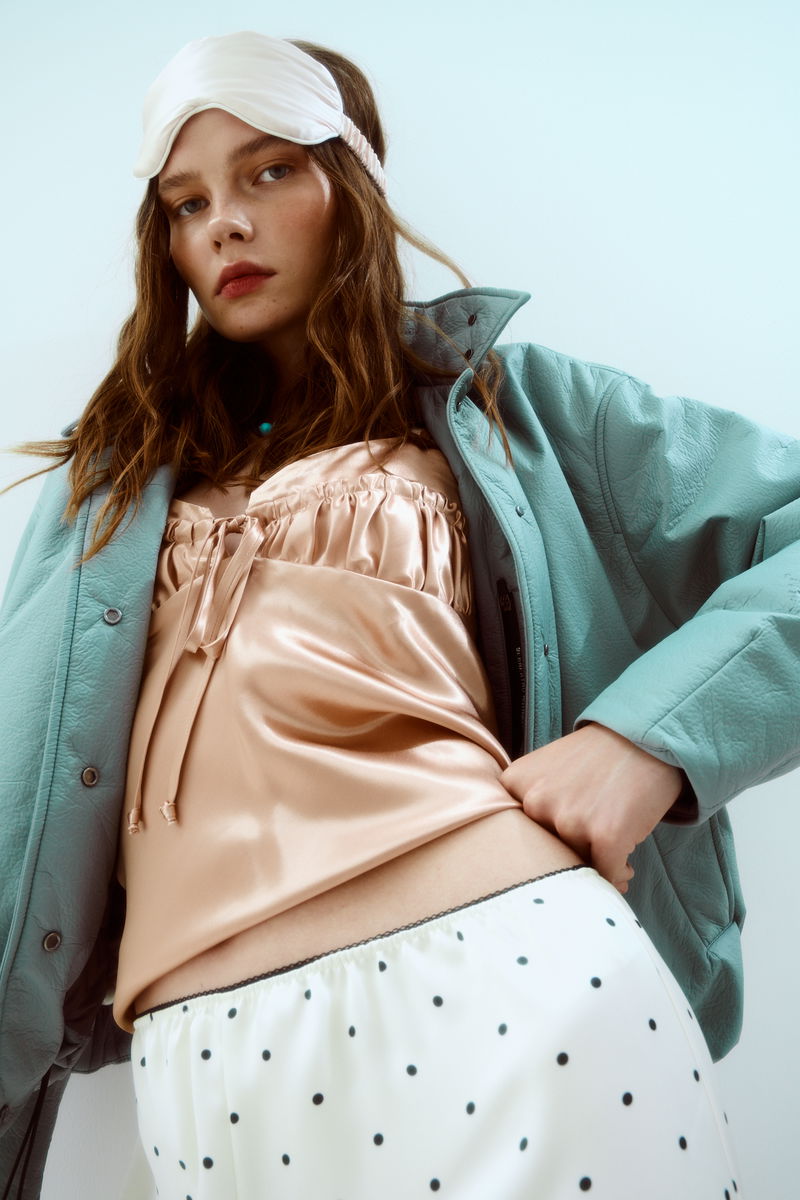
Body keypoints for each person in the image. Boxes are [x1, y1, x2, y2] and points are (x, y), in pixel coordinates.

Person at [1, 30, 797, 1200]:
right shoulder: (108, 486)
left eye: (269, 170)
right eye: (187, 202)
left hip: (516, 993)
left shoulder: (519, 408)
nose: (225, 223)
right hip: (209, 1071)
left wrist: (645, 744)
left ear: (351, 182)